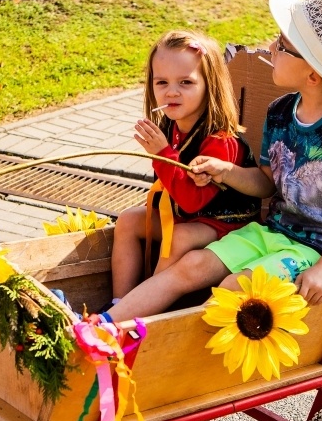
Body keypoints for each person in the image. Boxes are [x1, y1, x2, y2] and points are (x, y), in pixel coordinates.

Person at [107, 0, 322, 321]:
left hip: (320, 249)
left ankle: (166, 352)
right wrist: (226, 171)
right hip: (274, 232)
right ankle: (109, 326)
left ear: (312, 74)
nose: (270, 47)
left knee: (233, 287)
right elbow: (267, 184)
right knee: (192, 264)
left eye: (282, 46)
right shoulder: (280, 112)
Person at [106, 30, 261, 311]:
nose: (171, 91)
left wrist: (162, 154)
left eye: (186, 82)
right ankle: (120, 302)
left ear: (209, 86)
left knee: (180, 237)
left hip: (226, 222)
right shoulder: (172, 126)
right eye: (161, 82)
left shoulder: (221, 141)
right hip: (189, 216)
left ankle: (144, 311)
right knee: (129, 220)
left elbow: (192, 200)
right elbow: (171, 191)